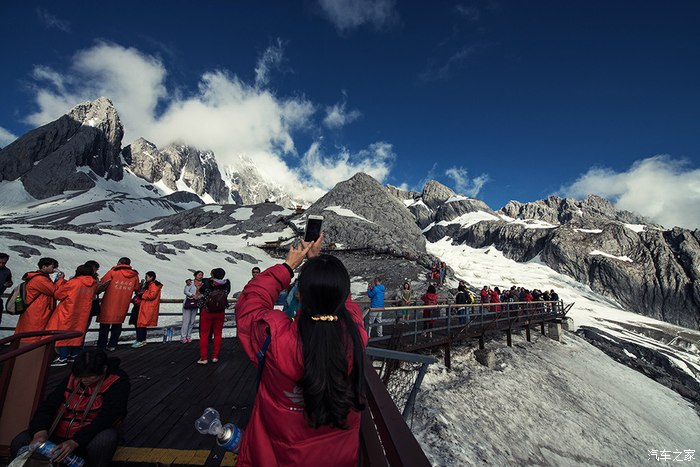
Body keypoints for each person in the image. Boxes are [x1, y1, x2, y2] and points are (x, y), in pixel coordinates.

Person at [235, 233, 368, 466]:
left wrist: (288, 266)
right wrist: (322, 270)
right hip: (335, 459)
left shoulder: (274, 336)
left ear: (299, 294)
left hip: (274, 457)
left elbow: (250, 302)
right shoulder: (355, 336)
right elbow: (345, 305)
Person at [10, 349, 130, 467]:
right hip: (58, 431)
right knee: (20, 441)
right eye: (80, 377)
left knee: (105, 439)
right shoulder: (75, 376)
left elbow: (108, 416)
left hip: (88, 436)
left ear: (104, 369)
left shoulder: (118, 380)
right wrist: (40, 431)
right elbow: (48, 405)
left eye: (90, 377)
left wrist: (75, 441)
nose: (84, 380)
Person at [47, 264, 98, 366]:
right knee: (77, 333)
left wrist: (61, 281)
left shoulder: (73, 282)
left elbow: (58, 295)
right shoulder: (93, 284)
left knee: (63, 333)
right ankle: (74, 354)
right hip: (82, 313)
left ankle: (63, 357)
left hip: (68, 311)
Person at [14, 257, 65, 342]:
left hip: (39, 311)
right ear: (44, 267)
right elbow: (54, 291)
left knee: (33, 333)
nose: (55, 269)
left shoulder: (42, 277)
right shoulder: (40, 279)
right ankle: (28, 348)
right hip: (37, 312)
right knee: (32, 334)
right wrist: (60, 280)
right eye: (53, 266)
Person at [97, 258, 140, 351]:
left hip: (108, 303)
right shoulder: (134, 276)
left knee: (104, 326)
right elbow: (137, 288)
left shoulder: (113, 272)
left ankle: (101, 346)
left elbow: (102, 283)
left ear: (119, 263)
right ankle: (112, 345)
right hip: (123, 304)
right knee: (117, 325)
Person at [197, 268, 231, 364]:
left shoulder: (208, 283)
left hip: (207, 311)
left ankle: (204, 357)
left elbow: (202, 290)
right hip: (220, 311)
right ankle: (215, 356)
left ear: (213, 274)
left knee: (204, 334)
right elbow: (227, 292)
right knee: (218, 333)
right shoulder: (226, 284)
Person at [132, 271, 162, 348]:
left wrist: (142, 295)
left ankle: (140, 340)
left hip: (146, 307)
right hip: (144, 306)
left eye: (147, 277)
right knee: (141, 324)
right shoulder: (150, 284)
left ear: (151, 277)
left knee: (141, 324)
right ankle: (141, 339)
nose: (146, 278)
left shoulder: (153, 285)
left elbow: (152, 295)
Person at [181, 278, 197, 343]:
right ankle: (183, 336)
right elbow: (185, 291)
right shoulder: (191, 283)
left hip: (195, 303)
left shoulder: (201, 284)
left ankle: (189, 336)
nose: (200, 276)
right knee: (186, 321)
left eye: (201, 275)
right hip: (188, 302)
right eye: (199, 275)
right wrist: (192, 295)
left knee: (192, 321)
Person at [0, 252, 13, 321]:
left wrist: (9, 284)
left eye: (4, 263)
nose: (1, 265)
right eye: (0, 262)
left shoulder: (7, 271)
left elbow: (9, 281)